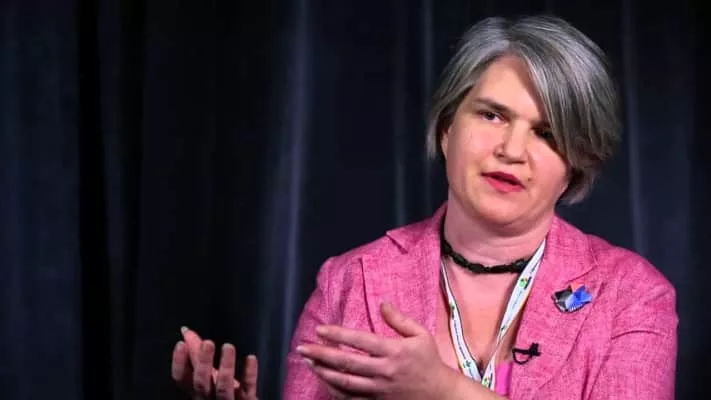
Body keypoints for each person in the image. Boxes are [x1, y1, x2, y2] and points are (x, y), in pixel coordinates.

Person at [171, 14, 678, 399]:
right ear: (447, 127)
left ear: (577, 163)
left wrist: (445, 390)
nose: (512, 150)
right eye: (492, 115)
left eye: (546, 133)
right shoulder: (351, 280)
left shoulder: (632, 294)